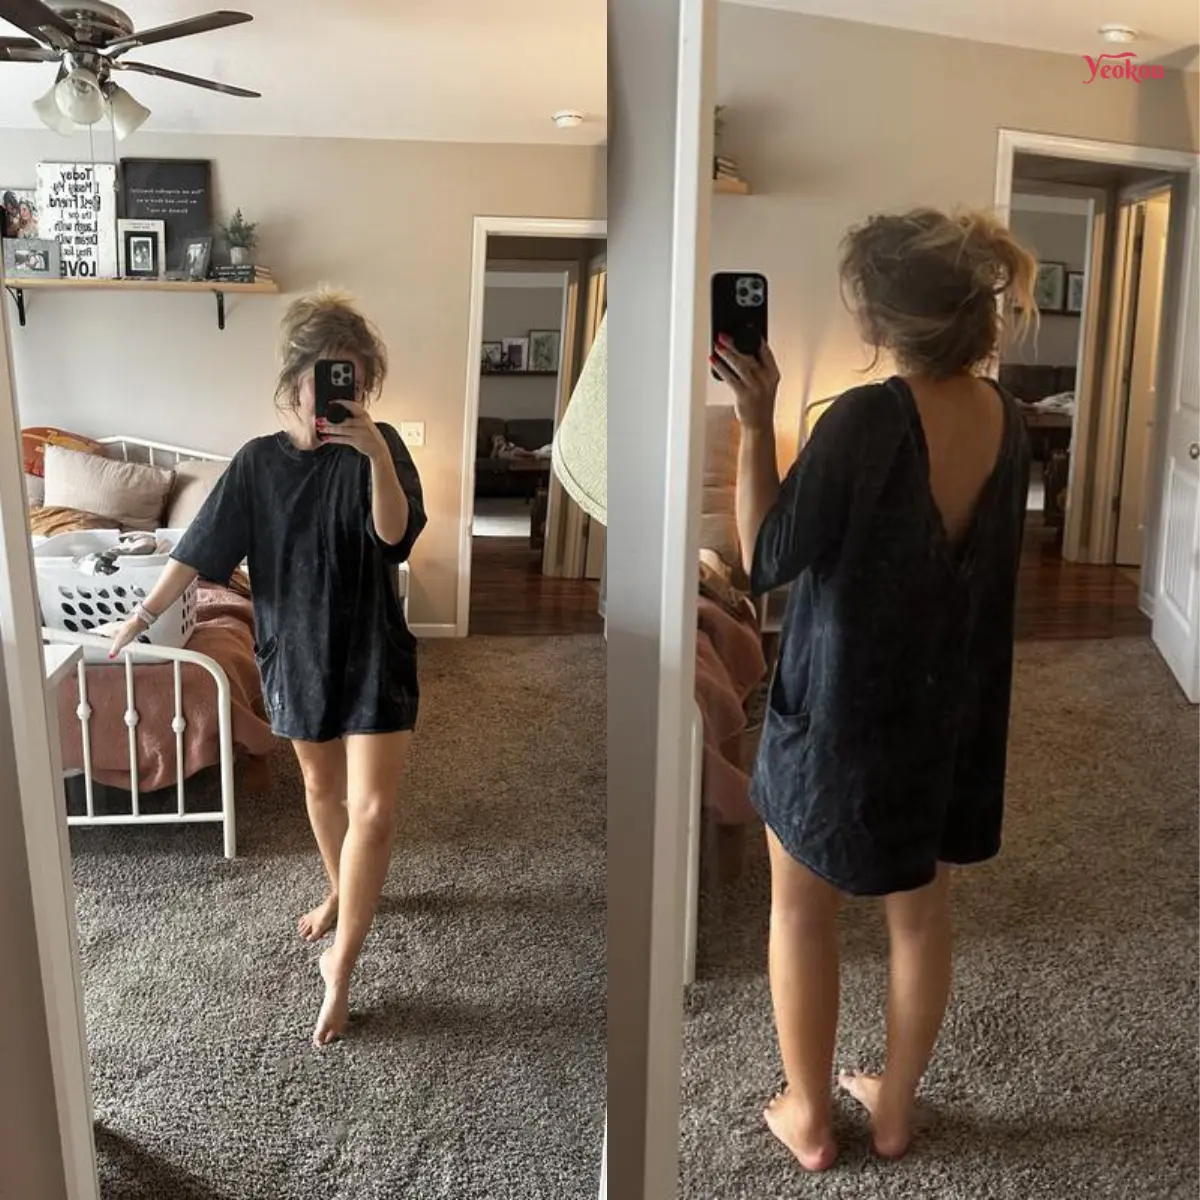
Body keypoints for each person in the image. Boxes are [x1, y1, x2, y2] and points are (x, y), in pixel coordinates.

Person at [710, 208, 1034, 1170]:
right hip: (950, 715)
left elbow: (767, 558)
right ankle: (894, 1108)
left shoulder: (862, 418)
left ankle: (810, 1118)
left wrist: (755, 423)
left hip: (839, 719)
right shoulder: (1008, 419)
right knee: (921, 914)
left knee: (800, 911)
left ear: (883, 320)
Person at [108, 287, 427, 1047]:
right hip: (297, 651)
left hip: (373, 648)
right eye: (327, 378)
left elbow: (395, 538)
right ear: (296, 380)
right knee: (321, 790)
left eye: (354, 380)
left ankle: (341, 966)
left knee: (373, 812)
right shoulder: (256, 465)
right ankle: (340, 890)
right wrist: (142, 615)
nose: (339, 395)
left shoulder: (381, 449)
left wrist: (376, 454)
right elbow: (198, 550)